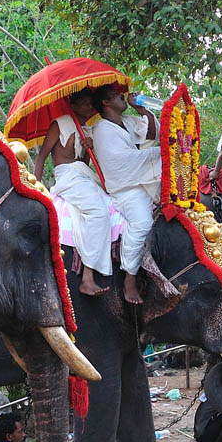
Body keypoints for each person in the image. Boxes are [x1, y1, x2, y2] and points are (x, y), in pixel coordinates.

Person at [32, 87, 127, 296]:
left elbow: (84, 163)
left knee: (117, 206)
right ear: (73, 105)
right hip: (67, 177)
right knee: (98, 213)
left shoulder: (88, 130)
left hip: (84, 176)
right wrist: (35, 187)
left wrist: (88, 147)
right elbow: (42, 156)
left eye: (90, 103)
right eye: (84, 103)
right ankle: (87, 278)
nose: (90, 107)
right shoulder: (60, 124)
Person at [90, 84, 161, 305]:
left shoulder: (128, 121)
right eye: (116, 95)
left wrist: (141, 108)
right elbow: (120, 163)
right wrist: (159, 155)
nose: (123, 96)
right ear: (106, 103)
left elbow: (153, 133)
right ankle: (129, 279)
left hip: (144, 181)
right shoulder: (101, 129)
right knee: (142, 223)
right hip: (126, 189)